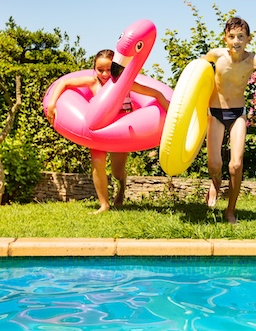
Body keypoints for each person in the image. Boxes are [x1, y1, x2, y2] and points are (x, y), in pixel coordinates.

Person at [46, 49, 170, 213]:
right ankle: (104, 204)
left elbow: (156, 93)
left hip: (121, 129)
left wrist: (171, 113)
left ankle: (121, 185)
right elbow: (64, 83)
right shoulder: (92, 82)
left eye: (108, 69)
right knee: (97, 163)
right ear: (94, 68)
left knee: (117, 172)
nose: (104, 74)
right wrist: (53, 103)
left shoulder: (126, 84)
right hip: (98, 129)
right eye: (100, 69)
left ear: (116, 67)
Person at [202, 17, 256, 223]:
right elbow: (196, 77)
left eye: (241, 37)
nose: (236, 41)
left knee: (235, 165)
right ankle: (215, 183)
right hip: (215, 113)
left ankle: (230, 210)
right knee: (214, 165)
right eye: (232, 36)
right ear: (225, 39)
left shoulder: (253, 59)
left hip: (237, 114)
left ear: (248, 39)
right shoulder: (216, 55)